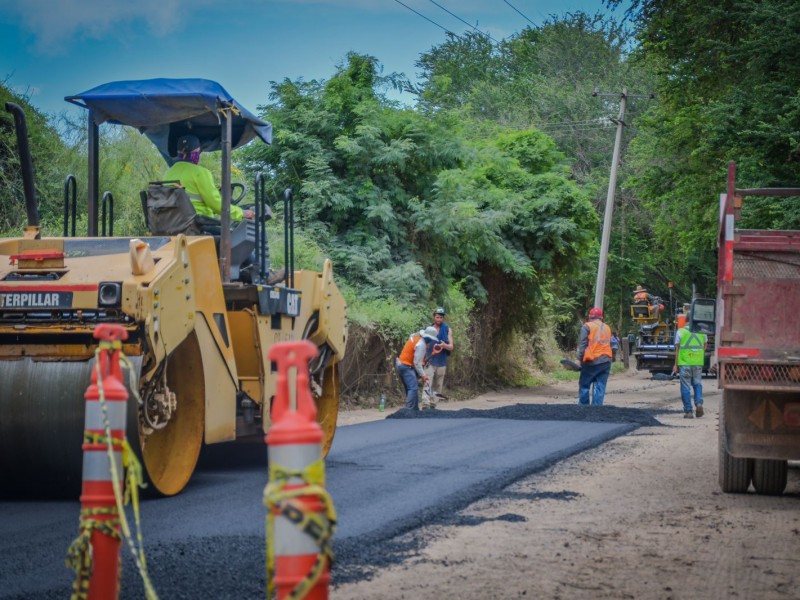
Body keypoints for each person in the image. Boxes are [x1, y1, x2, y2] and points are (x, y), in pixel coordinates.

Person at [164, 134, 255, 223]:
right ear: (197, 152)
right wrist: (241, 213)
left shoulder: (168, 173)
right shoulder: (200, 172)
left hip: (174, 223)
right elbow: (216, 204)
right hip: (197, 223)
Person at [396, 326, 440, 410]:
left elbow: (418, 360)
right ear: (428, 338)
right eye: (431, 339)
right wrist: (423, 375)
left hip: (401, 364)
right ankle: (408, 410)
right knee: (413, 388)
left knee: (410, 388)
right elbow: (417, 363)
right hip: (406, 366)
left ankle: (415, 410)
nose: (431, 341)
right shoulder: (421, 344)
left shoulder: (415, 336)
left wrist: (431, 354)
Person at [672, 317, 707, 418]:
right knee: (697, 383)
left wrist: (676, 364)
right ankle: (699, 403)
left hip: (684, 363)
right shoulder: (702, 332)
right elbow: (704, 346)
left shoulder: (680, 332)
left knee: (685, 387)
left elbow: (677, 349)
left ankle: (688, 411)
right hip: (697, 362)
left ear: (685, 320)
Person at [577, 307, 613, 406]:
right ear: (601, 318)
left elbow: (583, 345)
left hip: (591, 361)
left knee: (584, 385)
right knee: (600, 386)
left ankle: (583, 408)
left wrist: (579, 360)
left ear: (590, 317)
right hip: (606, 360)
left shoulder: (587, 326)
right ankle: (597, 410)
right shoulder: (607, 327)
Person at [423, 307, 454, 408]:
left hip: (442, 362)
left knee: (438, 385)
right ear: (434, 317)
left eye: (441, 317)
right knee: (428, 382)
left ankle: (433, 404)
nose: (439, 319)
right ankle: (425, 403)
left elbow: (451, 347)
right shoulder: (428, 329)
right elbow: (424, 345)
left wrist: (444, 345)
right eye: (437, 317)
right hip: (430, 361)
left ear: (443, 318)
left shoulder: (448, 329)